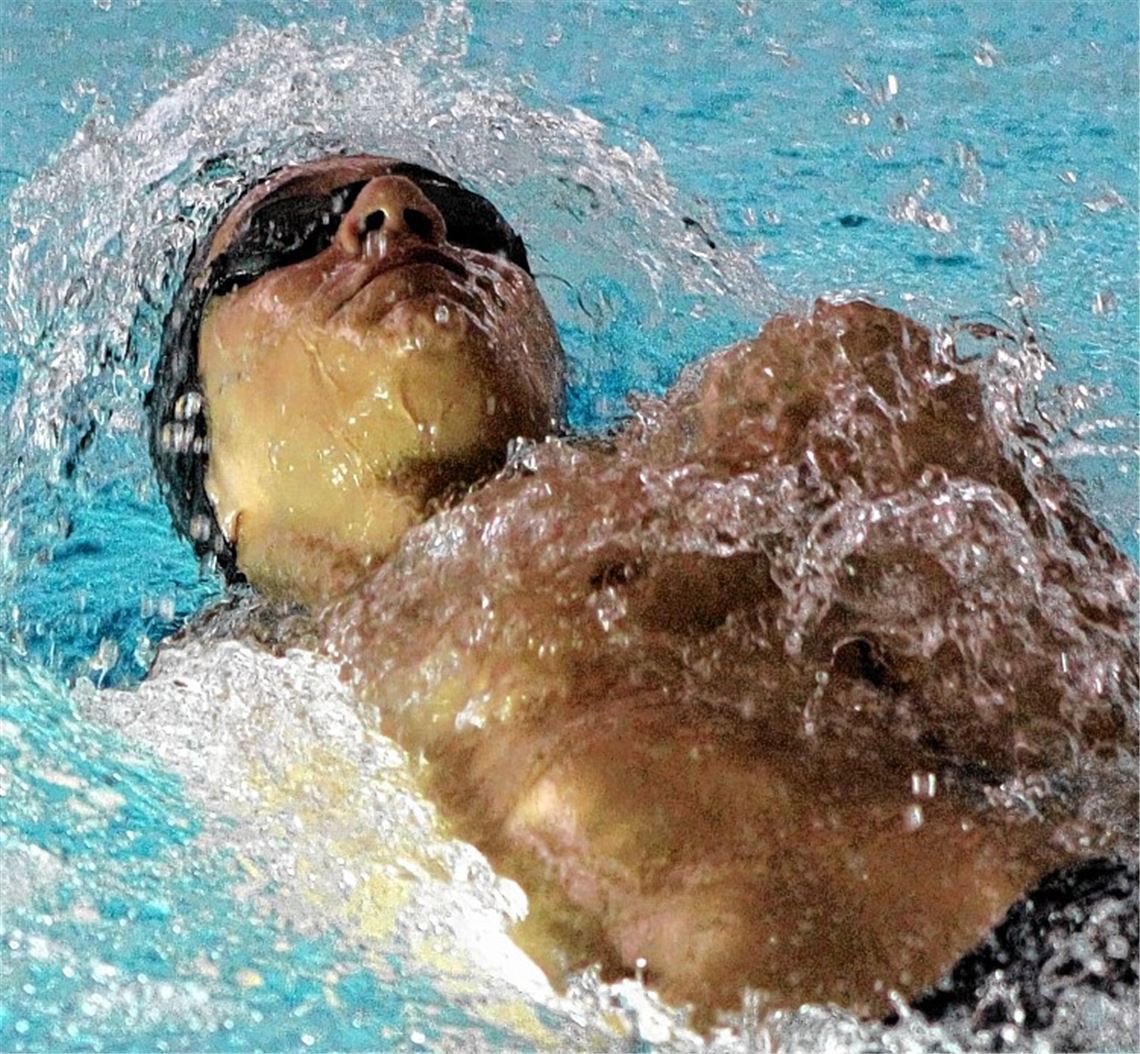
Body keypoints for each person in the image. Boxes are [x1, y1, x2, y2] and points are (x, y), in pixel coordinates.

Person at [149, 154, 1138, 1031]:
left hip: (1056, 973)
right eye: (291, 231)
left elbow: (1108, 740)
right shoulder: (184, 737)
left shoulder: (783, 425)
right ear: (210, 466)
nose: (398, 210)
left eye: (469, 217)